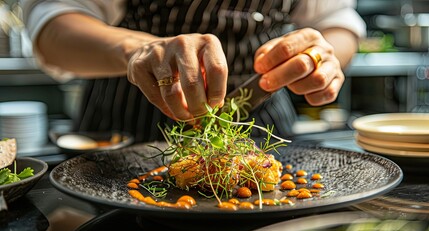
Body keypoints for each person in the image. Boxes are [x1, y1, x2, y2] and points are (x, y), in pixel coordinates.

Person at [21, 0, 366, 143]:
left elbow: (337, 22)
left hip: (265, 123)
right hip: (127, 126)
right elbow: (52, 26)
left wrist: (319, 56)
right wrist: (137, 50)